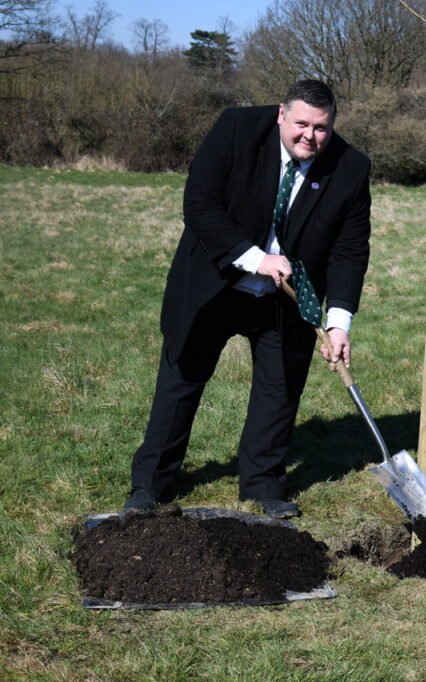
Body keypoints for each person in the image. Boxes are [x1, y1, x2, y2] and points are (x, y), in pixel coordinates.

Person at [124, 79, 372, 519]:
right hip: (214, 282)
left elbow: (349, 250)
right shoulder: (236, 128)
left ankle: (263, 485)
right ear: (281, 114)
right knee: (181, 381)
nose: (309, 137)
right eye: (300, 124)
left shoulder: (350, 168)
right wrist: (255, 258)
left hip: (287, 299)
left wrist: (339, 321)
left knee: (279, 391)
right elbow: (199, 204)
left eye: (321, 128)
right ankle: (150, 483)